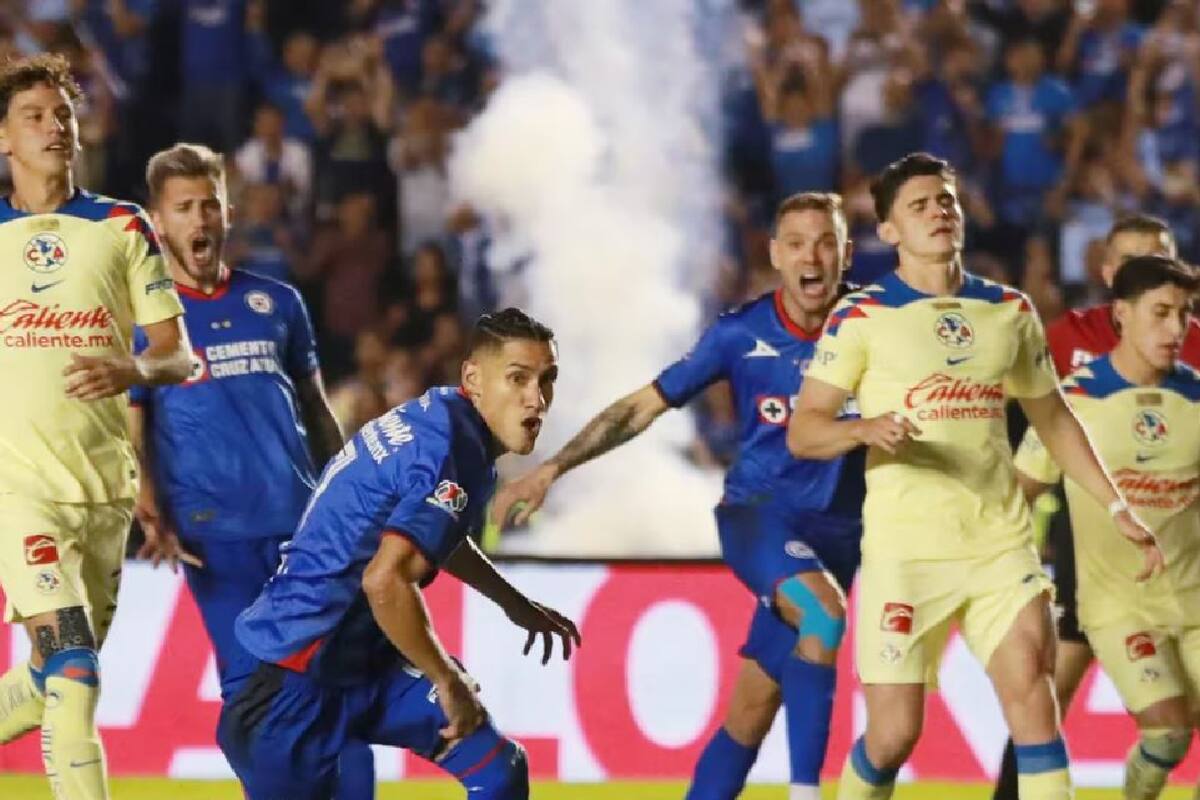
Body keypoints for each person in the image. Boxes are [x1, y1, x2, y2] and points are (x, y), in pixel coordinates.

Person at [788, 152, 1162, 800]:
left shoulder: (1008, 311)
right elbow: (805, 428)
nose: (938, 211)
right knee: (894, 734)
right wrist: (860, 430)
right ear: (890, 231)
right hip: (906, 552)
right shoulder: (863, 316)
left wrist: (1116, 504)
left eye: (946, 201)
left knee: (1032, 694)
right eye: (920, 205)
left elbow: (1055, 420)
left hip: (998, 543)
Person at [491, 192, 864, 800]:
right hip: (759, 518)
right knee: (822, 616)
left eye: (826, 242)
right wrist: (553, 467)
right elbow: (641, 407)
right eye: (796, 243)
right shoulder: (740, 334)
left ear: (847, 252)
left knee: (751, 711)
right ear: (774, 255)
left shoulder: (876, 327)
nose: (812, 256)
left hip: (838, 538)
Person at [217, 308, 580, 800]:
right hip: (290, 685)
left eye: (547, 380)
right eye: (517, 378)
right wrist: (445, 678)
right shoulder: (447, 448)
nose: (536, 399)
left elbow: (433, 536)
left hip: (367, 668)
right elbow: (384, 580)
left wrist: (513, 603)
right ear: (473, 377)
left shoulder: (452, 428)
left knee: (500, 771)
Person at [128, 142, 375, 798]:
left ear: (228, 212)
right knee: (259, 698)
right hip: (217, 536)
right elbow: (134, 426)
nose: (200, 219)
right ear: (159, 223)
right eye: (184, 208)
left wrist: (354, 496)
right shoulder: (146, 324)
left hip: (302, 529)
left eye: (210, 203)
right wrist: (148, 501)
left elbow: (318, 414)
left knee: (336, 683)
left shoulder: (278, 302)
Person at [0, 53, 190, 799]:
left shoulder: (120, 226)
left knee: (55, 675)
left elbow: (177, 357)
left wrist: (131, 370)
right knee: (75, 669)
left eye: (63, 115)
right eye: (34, 117)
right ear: (4, 139)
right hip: (19, 493)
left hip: (104, 493)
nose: (55, 127)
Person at [992, 214, 1197, 799]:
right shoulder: (1066, 354)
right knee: (1052, 696)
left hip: (1184, 572)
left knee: (1169, 731)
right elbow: (1023, 462)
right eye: (1133, 262)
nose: (1176, 324)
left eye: (1182, 309)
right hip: (1095, 570)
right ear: (1115, 287)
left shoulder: (1193, 362)